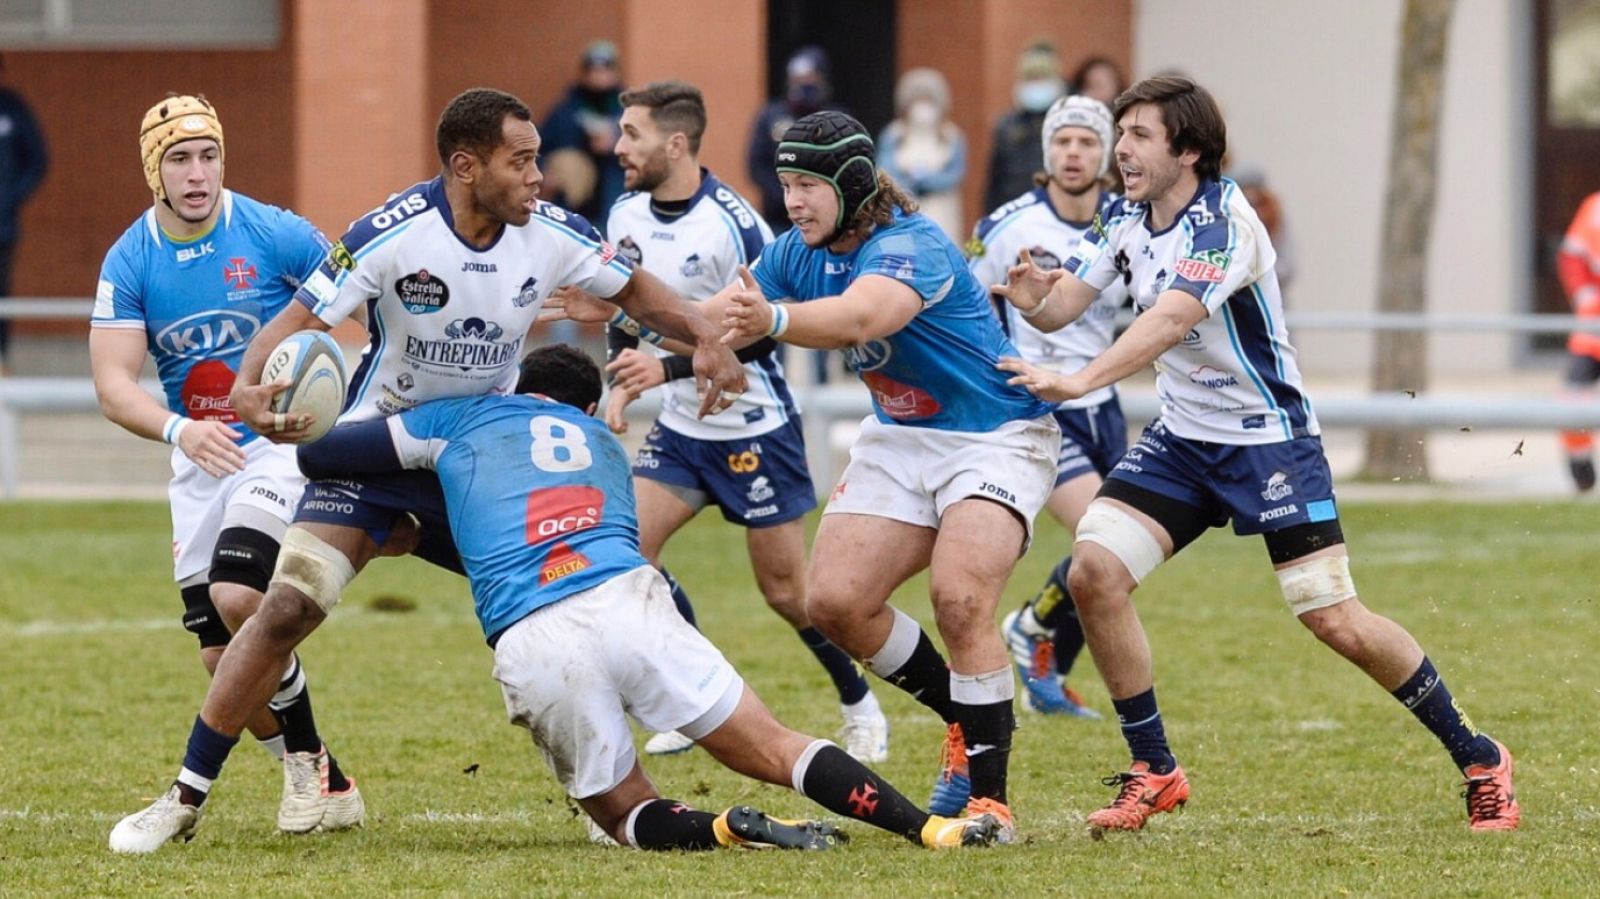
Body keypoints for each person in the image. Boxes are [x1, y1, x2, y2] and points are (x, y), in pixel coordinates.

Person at [106, 87, 749, 854]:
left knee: (562, 608)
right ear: (466, 166)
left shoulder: (552, 232)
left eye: (538, 159)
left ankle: (608, 792)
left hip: (481, 461)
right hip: (375, 450)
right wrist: (249, 381)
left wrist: (708, 336)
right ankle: (184, 796)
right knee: (281, 609)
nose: (539, 176)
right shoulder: (388, 234)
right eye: (521, 160)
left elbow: (638, 291)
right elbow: (300, 318)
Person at [993, 75, 1520, 833]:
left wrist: (1079, 380)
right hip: (1183, 441)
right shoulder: (1123, 213)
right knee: (1093, 572)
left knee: (1333, 618)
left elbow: (1170, 319)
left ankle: (1480, 756)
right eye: (1122, 132)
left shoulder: (1225, 223)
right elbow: (1067, 303)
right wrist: (1035, 298)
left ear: (1189, 151)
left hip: (1268, 442)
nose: (1121, 149)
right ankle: (1154, 768)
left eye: (1139, 135)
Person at [291, 344, 1002, 850]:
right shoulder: (605, 443)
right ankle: (929, 829)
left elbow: (319, 456)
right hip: (626, 595)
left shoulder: (464, 416)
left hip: (533, 629)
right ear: (589, 406)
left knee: (624, 813)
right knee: (775, 744)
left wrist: (323, 425)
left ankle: (722, 828)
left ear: (518, 387)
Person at [719, 111, 1061, 843]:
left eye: (808, 185)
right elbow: (723, 317)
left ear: (851, 183)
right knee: (834, 601)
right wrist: (639, 317)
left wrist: (769, 320)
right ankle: (964, 718)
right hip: (902, 437)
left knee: (960, 599)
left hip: (994, 435)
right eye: (786, 184)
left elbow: (857, 319)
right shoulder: (797, 250)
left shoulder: (912, 245)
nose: (793, 201)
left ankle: (990, 804)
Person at [583, 80, 889, 761]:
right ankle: (694, 696)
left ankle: (860, 703)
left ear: (676, 143)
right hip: (683, 430)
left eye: (631, 134)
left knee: (788, 592)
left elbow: (759, 337)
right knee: (629, 553)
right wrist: (619, 385)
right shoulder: (624, 214)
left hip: (755, 426)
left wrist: (663, 370)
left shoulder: (735, 223)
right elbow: (626, 313)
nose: (619, 147)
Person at [96, 95, 362, 854]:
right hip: (200, 456)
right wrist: (181, 429)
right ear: (154, 171)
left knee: (242, 594)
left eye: (208, 155)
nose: (198, 173)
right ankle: (328, 777)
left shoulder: (276, 232)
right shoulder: (130, 258)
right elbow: (113, 384)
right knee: (223, 659)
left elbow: (367, 294)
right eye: (179, 159)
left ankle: (297, 769)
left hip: (277, 448)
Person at [967, 95, 1126, 719]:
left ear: (1106, 154)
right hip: (1039, 405)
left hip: (1103, 401)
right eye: (1063, 141)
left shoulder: (1128, 221)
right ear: (1046, 152)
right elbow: (962, 303)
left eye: (1087, 142)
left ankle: (1042, 655)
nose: (1073, 153)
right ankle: (1034, 628)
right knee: (1102, 537)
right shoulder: (1006, 225)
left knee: (1120, 555)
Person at [540, 40, 627, 233]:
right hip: (573, 205)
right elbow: (540, 147)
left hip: (613, 200)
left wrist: (615, 145)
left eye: (605, 69)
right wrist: (546, 172)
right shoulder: (565, 111)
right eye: (593, 70)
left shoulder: (627, 112)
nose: (599, 76)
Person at [877, 68, 966, 243]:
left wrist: (928, 182)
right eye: (917, 100)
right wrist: (908, 183)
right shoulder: (894, 134)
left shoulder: (951, 136)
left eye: (928, 100)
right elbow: (884, 168)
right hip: (903, 208)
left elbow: (955, 173)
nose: (922, 107)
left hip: (941, 210)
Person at [0, 53, 48, 370]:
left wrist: (9, 198)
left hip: (2, 227)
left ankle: (0, 360)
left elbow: (37, 161)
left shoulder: (12, 109)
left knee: (1, 294)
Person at [983, 42, 1066, 215]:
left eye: (1042, 78)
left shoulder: (1065, 122)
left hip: (1056, 210)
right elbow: (994, 181)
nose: (1037, 85)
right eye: (1031, 78)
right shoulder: (1006, 126)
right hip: (1014, 211)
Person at [1556, 190, 1600, 493]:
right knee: (1572, 399)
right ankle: (1581, 471)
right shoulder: (1595, 207)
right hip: (1593, 333)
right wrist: (1585, 297)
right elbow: (1571, 256)